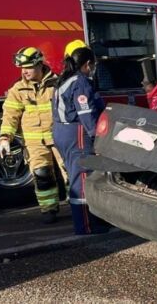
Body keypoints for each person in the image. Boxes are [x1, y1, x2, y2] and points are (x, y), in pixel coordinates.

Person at [0, 47, 66, 224]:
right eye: (22, 68)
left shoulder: (57, 84)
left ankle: (78, 206)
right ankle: (49, 209)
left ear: (39, 65)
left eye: (28, 67)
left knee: (69, 172)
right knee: (42, 175)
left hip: (59, 138)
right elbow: (10, 115)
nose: (24, 72)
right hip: (35, 142)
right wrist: (5, 137)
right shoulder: (18, 89)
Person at [52, 46, 109, 234]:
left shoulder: (64, 79)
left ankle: (91, 220)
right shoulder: (80, 82)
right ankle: (86, 225)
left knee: (76, 175)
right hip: (76, 132)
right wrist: (97, 139)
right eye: (93, 65)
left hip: (61, 131)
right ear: (88, 64)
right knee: (83, 177)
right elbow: (86, 114)